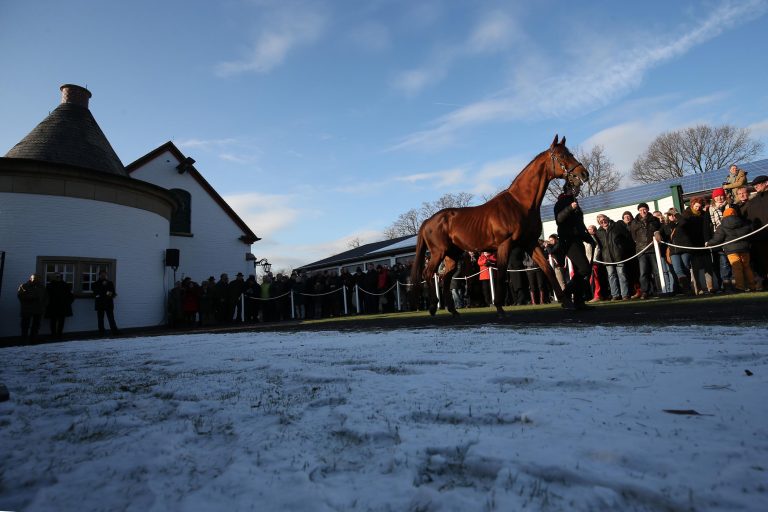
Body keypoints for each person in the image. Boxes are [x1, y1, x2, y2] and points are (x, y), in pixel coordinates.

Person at [554, 190, 594, 309]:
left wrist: (588, 238)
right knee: (584, 269)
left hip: (577, 240)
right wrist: (570, 208)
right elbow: (559, 219)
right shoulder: (561, 203)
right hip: (568, 241)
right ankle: (565, 294)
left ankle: (578, 301)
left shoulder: (574, 202)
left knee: (579, 272)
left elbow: (579, 225)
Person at [707, 208, 758, 292]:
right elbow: (750, 232)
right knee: (747, 267)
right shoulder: (743, 222)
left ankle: (740, 287)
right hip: (745, 248)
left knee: (736, 267)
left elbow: (718, 239)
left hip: (731, 250)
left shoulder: (722, 226)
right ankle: (752, 286)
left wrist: (709, 243)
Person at [595, 214, 633, 300]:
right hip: (607, 258)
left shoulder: (617, 226)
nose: (603, 221)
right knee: (611, 276)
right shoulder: (599, 232)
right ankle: (615, 295)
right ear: (599, 223)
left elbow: (626, 238)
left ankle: (625, 294)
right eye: (601, 221)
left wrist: (622, 248)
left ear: (607, 218)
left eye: (604, 219)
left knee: (622, 274)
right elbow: (599, 247)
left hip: (619, 255)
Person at [629, 202, 662, 299]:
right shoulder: (634, 222)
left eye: (644, 209)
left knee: (656, 271)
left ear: (647, 209)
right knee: (643, 272)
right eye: (640, 210)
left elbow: (658, 231)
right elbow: (634, 236)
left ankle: (659, 289)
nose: (643, 211)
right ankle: (645, 291)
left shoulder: (655, 220)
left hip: (653, 249)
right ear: (638, 211)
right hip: (641, 250)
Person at [741, 175, 768, 288]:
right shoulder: (752, 202)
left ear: (766, 183)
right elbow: (748, 220)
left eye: (758, 184)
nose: (756, 186)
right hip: (758, 238)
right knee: (762, 262)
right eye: (754, 185)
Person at [709, 188, 733, 291]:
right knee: (722, 262)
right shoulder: (710, 209)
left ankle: (732, 282)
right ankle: (725, 283)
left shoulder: (730, 206)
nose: (719, 198)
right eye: (717, 196)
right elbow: (709, 226)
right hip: (718, 238)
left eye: (721, 196)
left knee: (731, 261)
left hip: (730, 237)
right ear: (714, 198)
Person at [18, 273, 48, 342]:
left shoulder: (42, 287)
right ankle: (24, 339)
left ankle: (34, 338)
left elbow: (46, 297)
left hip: (38, 309)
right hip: (27, 309)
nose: (35, 280)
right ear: (30, 278)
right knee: (25, 325)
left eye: (37, 278)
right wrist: (31, 298)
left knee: (36, 325)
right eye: (33, 278)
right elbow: (20, 296)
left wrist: (44, 305)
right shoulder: (23, 286)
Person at [45, 273, 74, 339]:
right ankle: (53, 334)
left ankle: (59, 334)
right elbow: (46, 296)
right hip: (53, 306)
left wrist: (68, 302)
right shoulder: (50, 285)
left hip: (62, 306)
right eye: (56, 277)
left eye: (59, 277)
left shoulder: (65, 285)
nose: (58, 278)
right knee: (53, 321)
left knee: (61, 321)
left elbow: (70, 295)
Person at [93, 271, 119, 335]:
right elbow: (96, 293)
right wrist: (105, 291)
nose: (103, 276)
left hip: (108, 303)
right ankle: (101, 332)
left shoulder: (110, 283)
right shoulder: (95, 284)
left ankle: (115, 332)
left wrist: (104, 293)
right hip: (100, 304)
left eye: (104, 275)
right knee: (100, 319)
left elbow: (112, 293)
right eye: (102, 275)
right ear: (99, 275)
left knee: (111, 318)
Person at [584, 225, 605, 302]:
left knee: (595, 279)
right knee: (592, 279)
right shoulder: (587, 239)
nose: (588, 230)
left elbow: (597, 249)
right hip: (589, 261)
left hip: (593, 262)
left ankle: (597, 295)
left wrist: (594, 259)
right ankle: (594, 295)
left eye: (590, 229)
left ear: (593, 230)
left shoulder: (593, 238)